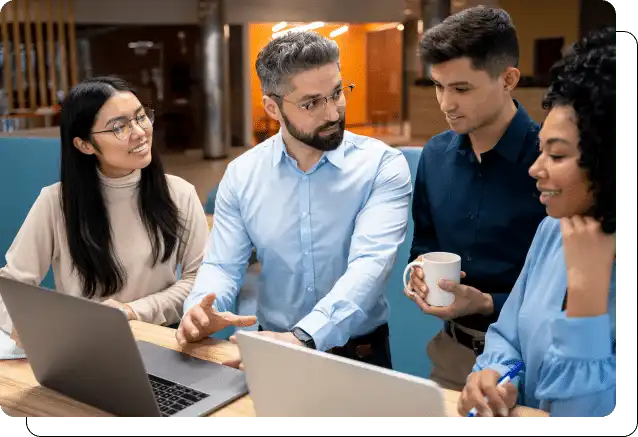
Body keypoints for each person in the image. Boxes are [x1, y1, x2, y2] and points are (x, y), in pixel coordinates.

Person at [177, 30, 412, 370]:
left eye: (337, 93)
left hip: (357, 354)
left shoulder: (381, 166)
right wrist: (201, 309)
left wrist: (304, 336)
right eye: (311, 103)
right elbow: (223, 265)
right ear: (272, 106)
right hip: (270, 346)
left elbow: (370, 266)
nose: (332, 113)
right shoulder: (242, 175)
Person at [457, 25, 616, 418]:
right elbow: (510, 338)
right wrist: (496, 375)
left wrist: (586, 303)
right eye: (540, 151)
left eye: (557, 156)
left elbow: (582, 418)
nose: (534, 169)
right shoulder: (551, 231)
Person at [403, 6, 547, 390]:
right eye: (438, 86)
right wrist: (420, 272)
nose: (446, 104)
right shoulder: (433, 156)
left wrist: (486, 303)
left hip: (537, 360)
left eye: (461, 89)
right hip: (454, 354)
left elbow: (572, 288)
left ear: (508, 79)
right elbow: (425, 242)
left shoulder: (553, 161)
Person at [0, 76, 209, 340]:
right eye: (119, 127)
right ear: (85, 145)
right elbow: (12, 284)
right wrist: (22, 323)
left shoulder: (180, 194)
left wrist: (132, 311)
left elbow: (199, 282)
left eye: (141, 117)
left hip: (160, 339)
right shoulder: (56, 202)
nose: (139, 132)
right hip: (84, 344)